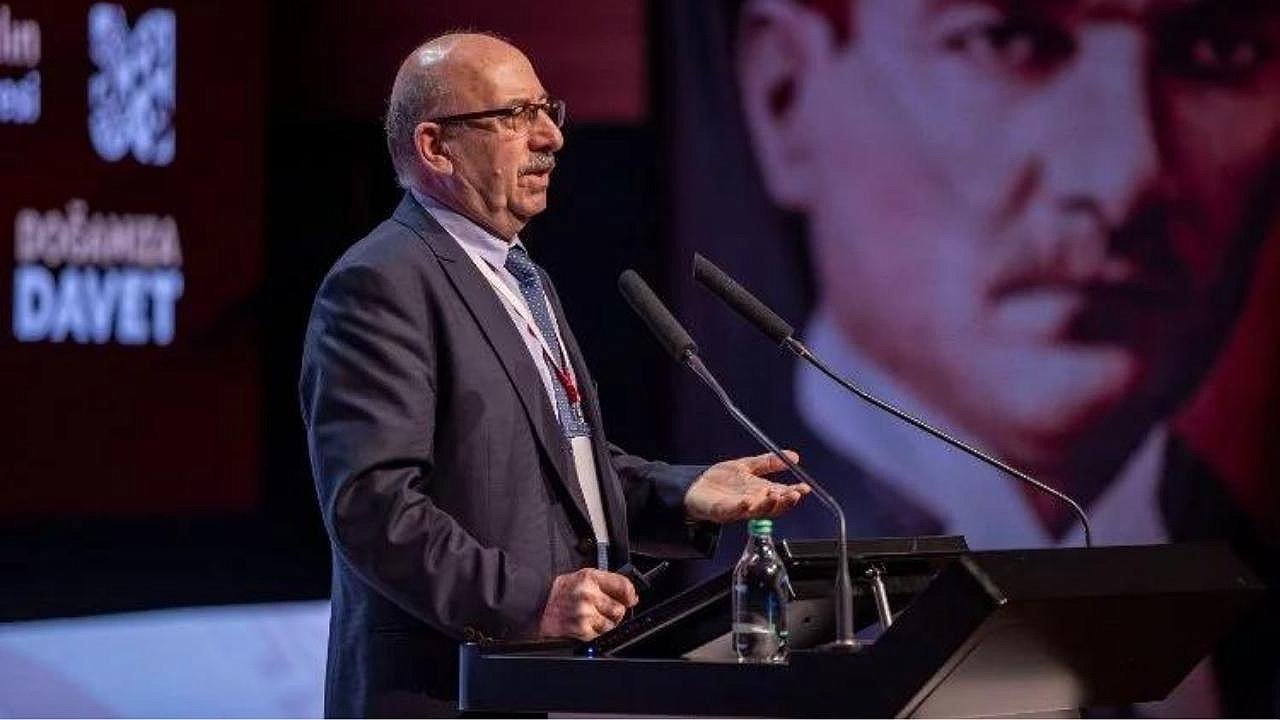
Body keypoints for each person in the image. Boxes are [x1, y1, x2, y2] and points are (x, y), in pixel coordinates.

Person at [711, 0, 1278, 714]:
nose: (1126, 177)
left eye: (1216, 54)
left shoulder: (1245, 576)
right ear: (785, 94)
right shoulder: (704, 584)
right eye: (1007, 41)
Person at [299, 32, 810, 718]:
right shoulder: (382, 281)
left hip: (557, 682)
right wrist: (530, 603)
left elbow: (554, 470)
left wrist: (684, 492)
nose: (551, 137)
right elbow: (374, 508)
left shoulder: (524, 278)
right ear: (435, 147)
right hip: (447, 690)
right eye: (515, 116)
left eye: (547, 110)